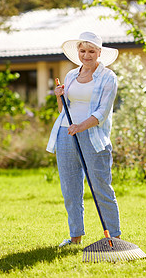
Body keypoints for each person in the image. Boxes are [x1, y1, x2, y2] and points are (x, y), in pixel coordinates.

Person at [46, 31, 121, 247]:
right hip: (65, 133)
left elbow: (102, 112)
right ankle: (75, 236)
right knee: (70, 188)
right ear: (78, 52)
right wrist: (59, 97)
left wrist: (81, 126)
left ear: (99, 53)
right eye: (82, 51)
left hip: (92, 135)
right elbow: (64, 111)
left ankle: (114, 237)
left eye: (91, 51)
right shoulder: (70, 75)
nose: (86, 55)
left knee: (100, 187)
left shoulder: (108, 77)